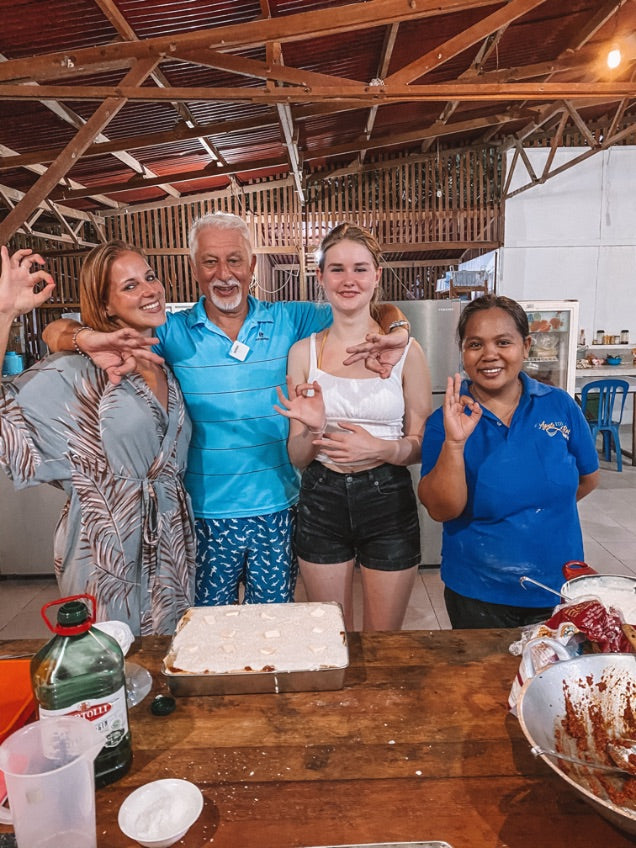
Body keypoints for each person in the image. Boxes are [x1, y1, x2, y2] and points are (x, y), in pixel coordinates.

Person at [42, 212, 410, 608]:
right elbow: (55, 331)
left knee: (271, 632)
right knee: (206, 632)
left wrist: (398, 331)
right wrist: (85, 335)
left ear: (252, 265)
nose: (224, 274)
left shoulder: (292, 319)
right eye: (210, 261)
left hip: (278, 511)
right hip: (201, 516)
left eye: (235, 260)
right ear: (194, 267)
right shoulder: (170, 330)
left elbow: (379, 310)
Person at [1, 242, 195, 636]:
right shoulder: (79, 372)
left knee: (165, 673)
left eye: (150, 277)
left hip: (173, 549)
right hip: (106, 552)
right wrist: (6, 313)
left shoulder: (165, 363)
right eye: (129, 286)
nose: (149, 290)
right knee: (106, 673)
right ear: (105, 305)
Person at [274, 224, 432, 630]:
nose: (349, 281)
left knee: (384, 640)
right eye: (337, 269)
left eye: (360, 269)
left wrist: (382, 449)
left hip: (388, 497)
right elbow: (297, 457)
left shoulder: (405, 351)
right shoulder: (302, 353)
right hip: (321, 498)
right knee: (328, 635)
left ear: (377, 275)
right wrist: (310, 431)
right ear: (321, 277)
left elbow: (420, 444)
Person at [418, 294, 599, 629]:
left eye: (503, 342)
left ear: (525, 346)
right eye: (475, 344)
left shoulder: (560, 406)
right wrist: (455, 442)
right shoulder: (443, 420)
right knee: (484, 681)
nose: (489, 354)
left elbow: (588, 478)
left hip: (559, 586)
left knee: (551, 678)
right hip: (477, 592)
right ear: (463, 351)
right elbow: (442, 510)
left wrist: (538, 509)